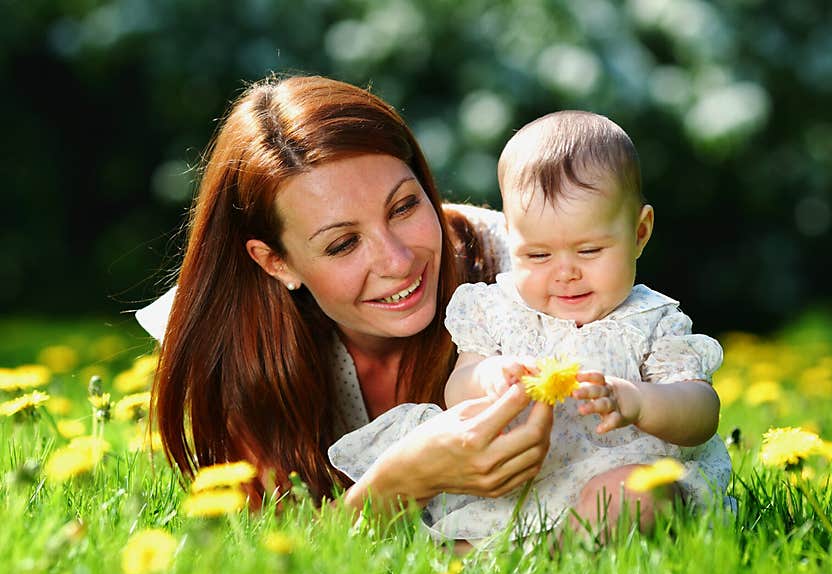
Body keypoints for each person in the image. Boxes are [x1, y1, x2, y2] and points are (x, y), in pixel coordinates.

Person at [134, 73, 554, 518]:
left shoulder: (533, 271)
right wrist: (399, 485)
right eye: (343, 244)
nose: (396, 261)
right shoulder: (235, 336)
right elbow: (277, 556)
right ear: (276, 262)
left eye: (404, 207)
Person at [329, 110, 734, 545]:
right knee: (464, 535)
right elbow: (458, 389)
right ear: (511, 236)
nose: (565, 273)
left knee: (638, 494)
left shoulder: (651, 319)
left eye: (590, 250)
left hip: (613, 473)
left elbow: (701, 412)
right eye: (538, 256)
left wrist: (637, 401)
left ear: (640, 232)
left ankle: (561, 555)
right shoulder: (496, 309)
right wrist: (488, 377)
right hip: (518, 486)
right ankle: (490, 564)